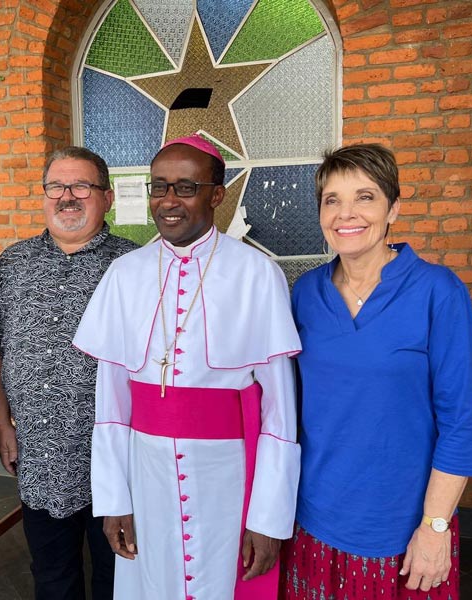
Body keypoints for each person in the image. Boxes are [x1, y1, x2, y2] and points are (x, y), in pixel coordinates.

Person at [73, 134, 301, 600]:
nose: (168, 201)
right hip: (146, 474)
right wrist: (114, 501)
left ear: (216, 194)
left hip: (229, 476)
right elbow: (111, 406)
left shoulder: (258, 275)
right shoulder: (124, 274)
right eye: (159, 187)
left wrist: (268, 517)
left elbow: (280, 413)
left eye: (185, 187)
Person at [284, 143, 472, 600]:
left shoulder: (438, 291)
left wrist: (435, 529)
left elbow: (461, 422)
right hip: (315, 518)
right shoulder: (306, 293)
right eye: (332, 199)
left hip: (403, 527)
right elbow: (290, 409)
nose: (346, 213)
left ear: (394, 206)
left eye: (366, 196)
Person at [0, 146, 137, 599]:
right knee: (52, 577)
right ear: (44, 195)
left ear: (106, 198)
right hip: (40, 452)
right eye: (56, 186)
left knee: (119, 573)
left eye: (82, 186)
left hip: (117, 457)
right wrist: (3, 422)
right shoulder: (12, 264)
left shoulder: (135, 266)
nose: (67, 197)